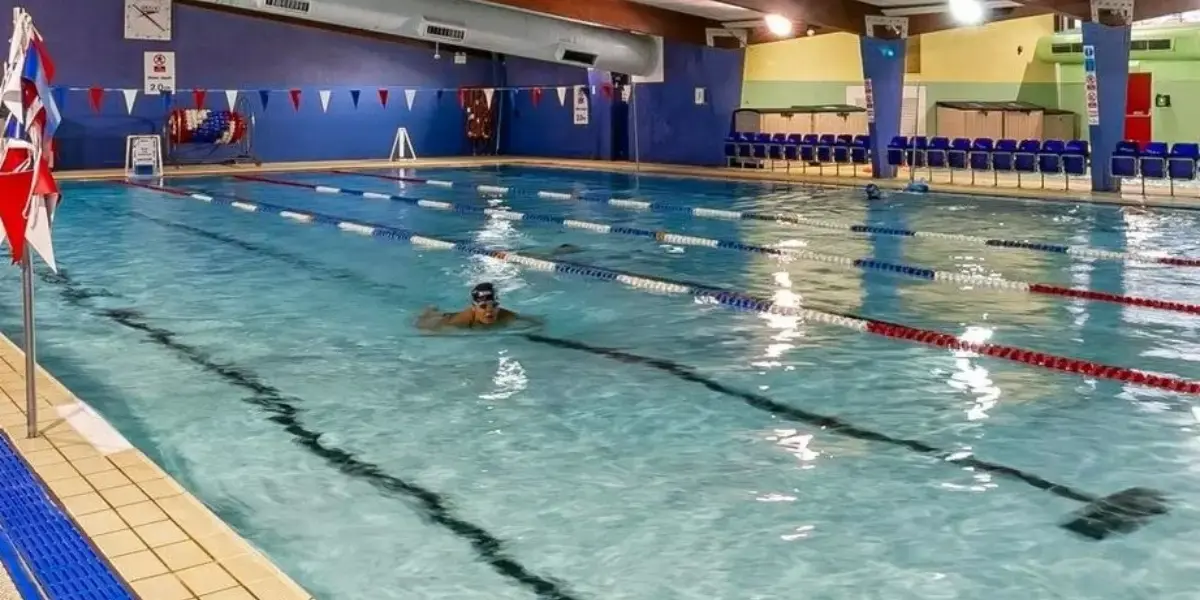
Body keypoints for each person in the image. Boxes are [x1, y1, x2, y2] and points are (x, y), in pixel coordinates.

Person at [417, 282, 537, 331]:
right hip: (439, 319)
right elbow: (426, 330)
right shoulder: (459, 322)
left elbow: (535, 322)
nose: (489, 311)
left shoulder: (505, 315)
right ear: (474, 307)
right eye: (483, 306)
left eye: (493, 305)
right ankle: (431, 309)